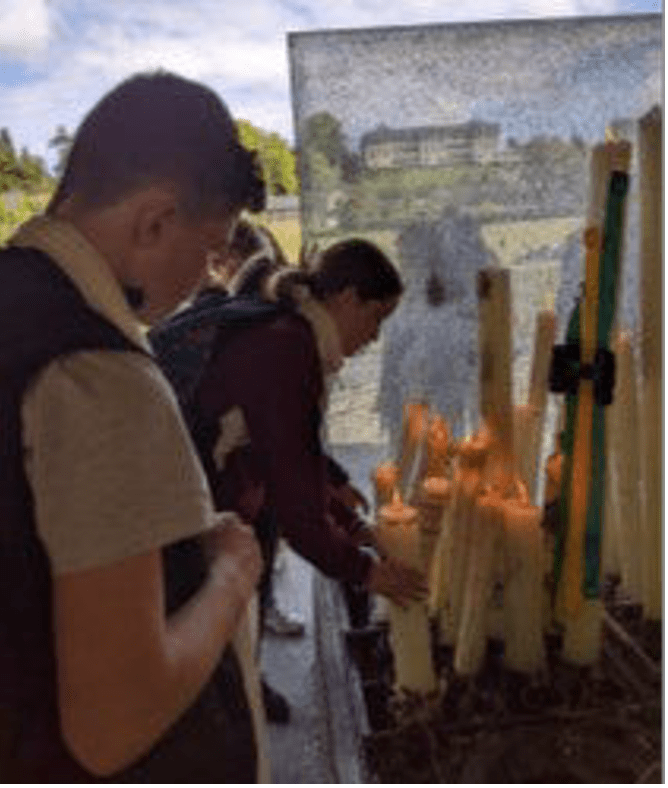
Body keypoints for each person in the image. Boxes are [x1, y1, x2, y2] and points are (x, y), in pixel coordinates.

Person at [0, 71, 269, 781]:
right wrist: (233, 575)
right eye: (211, 249)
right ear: (155, 222)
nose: (208, 278)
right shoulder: (98, 377)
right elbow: (114, 723)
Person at [186, 239, 429, 668]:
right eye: (376, 317)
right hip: (187, 511)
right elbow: (293, 495)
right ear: (348, 298)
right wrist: (367, 572)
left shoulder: (289, 330)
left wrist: (349, 522)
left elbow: (290, 449)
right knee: (213, 648)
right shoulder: (287, 348)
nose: (375, 336)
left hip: (203, 495)